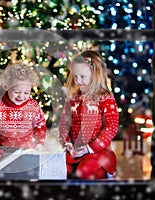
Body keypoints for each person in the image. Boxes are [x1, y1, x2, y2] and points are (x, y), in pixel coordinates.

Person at [59, 49, 119, 179]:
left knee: (84, 171)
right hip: (74, 152)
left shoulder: (105, 98)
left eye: (82, 76)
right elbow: (64, 123)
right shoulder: (73, 98)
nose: (78, 81)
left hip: (98, 152)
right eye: (75, 76)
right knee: (59, 170)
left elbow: (111, 126)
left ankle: (102, 173)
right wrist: (67, 143)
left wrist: (90, 148)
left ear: (95, 75)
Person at [0, 62, 47, 165]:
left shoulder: (33, 106)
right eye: (17, 92)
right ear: (7, 86)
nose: (21, 96)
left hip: (28, 152)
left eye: (26, 93)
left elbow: (40, 125)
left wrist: (39, 144)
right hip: (3, 153)